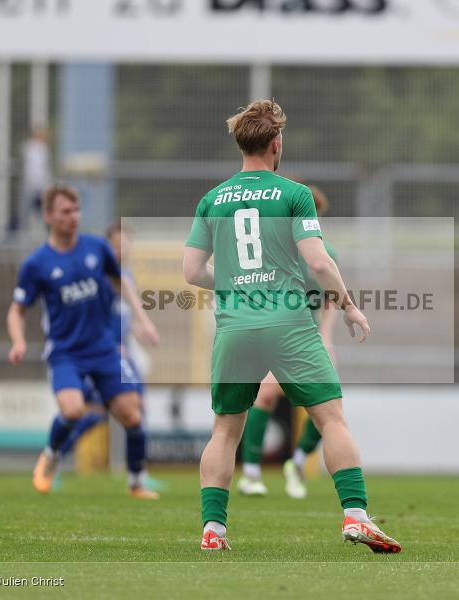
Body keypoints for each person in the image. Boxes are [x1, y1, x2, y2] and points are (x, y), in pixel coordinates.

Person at [183, 99, 401, 553]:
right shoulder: (293, 194)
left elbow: (190, 272)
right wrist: (349, 307)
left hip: (234, 325)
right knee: (331, 419)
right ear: (276, 142)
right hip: (287, 321)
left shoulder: (212, 199)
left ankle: (212, 531)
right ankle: (356, 516)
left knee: (224, 430)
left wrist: (230, 282)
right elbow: (319, 262)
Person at [6, 184, 160, 499]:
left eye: (76, 210)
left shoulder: (95, 248)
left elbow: (122, 283)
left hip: (103, 348)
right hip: (66, 352)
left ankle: (136, 482)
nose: (73, 217)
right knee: (74, 410)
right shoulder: (38, 264)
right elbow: (16, 310)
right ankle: (50, 456)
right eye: (65, 211)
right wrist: (18, 341)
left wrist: (142, 320)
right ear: (49, 216)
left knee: (132, 415)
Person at [236, 181, 339, 500]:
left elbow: (331, 297)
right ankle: (251, 473)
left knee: (328, 405)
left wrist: (326, 335)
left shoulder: (324, 254)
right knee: (265, 394)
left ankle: (296, 462)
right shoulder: (268, 249)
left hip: (306, 336)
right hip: (273, 334)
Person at [55, 222, 164, 493]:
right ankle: (55, 458)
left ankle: (137, 474)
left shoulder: (127, 275)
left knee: (136, 410)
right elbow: (93, 317)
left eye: (127, 242)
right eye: (117, 243)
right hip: (103, 354)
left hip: (124, 354)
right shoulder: (98, 275)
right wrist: (110, 345)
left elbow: (125, 316)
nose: (122, 247)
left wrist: (141, 332)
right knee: (92, 414)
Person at [17, 126, 52, 233]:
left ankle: (50, 233)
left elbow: (45, 169)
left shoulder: (44, 149)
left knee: (47, 211)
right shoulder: (29, 148)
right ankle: (20, 235)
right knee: (25, 213)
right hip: (30, 186)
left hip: (42, 186)